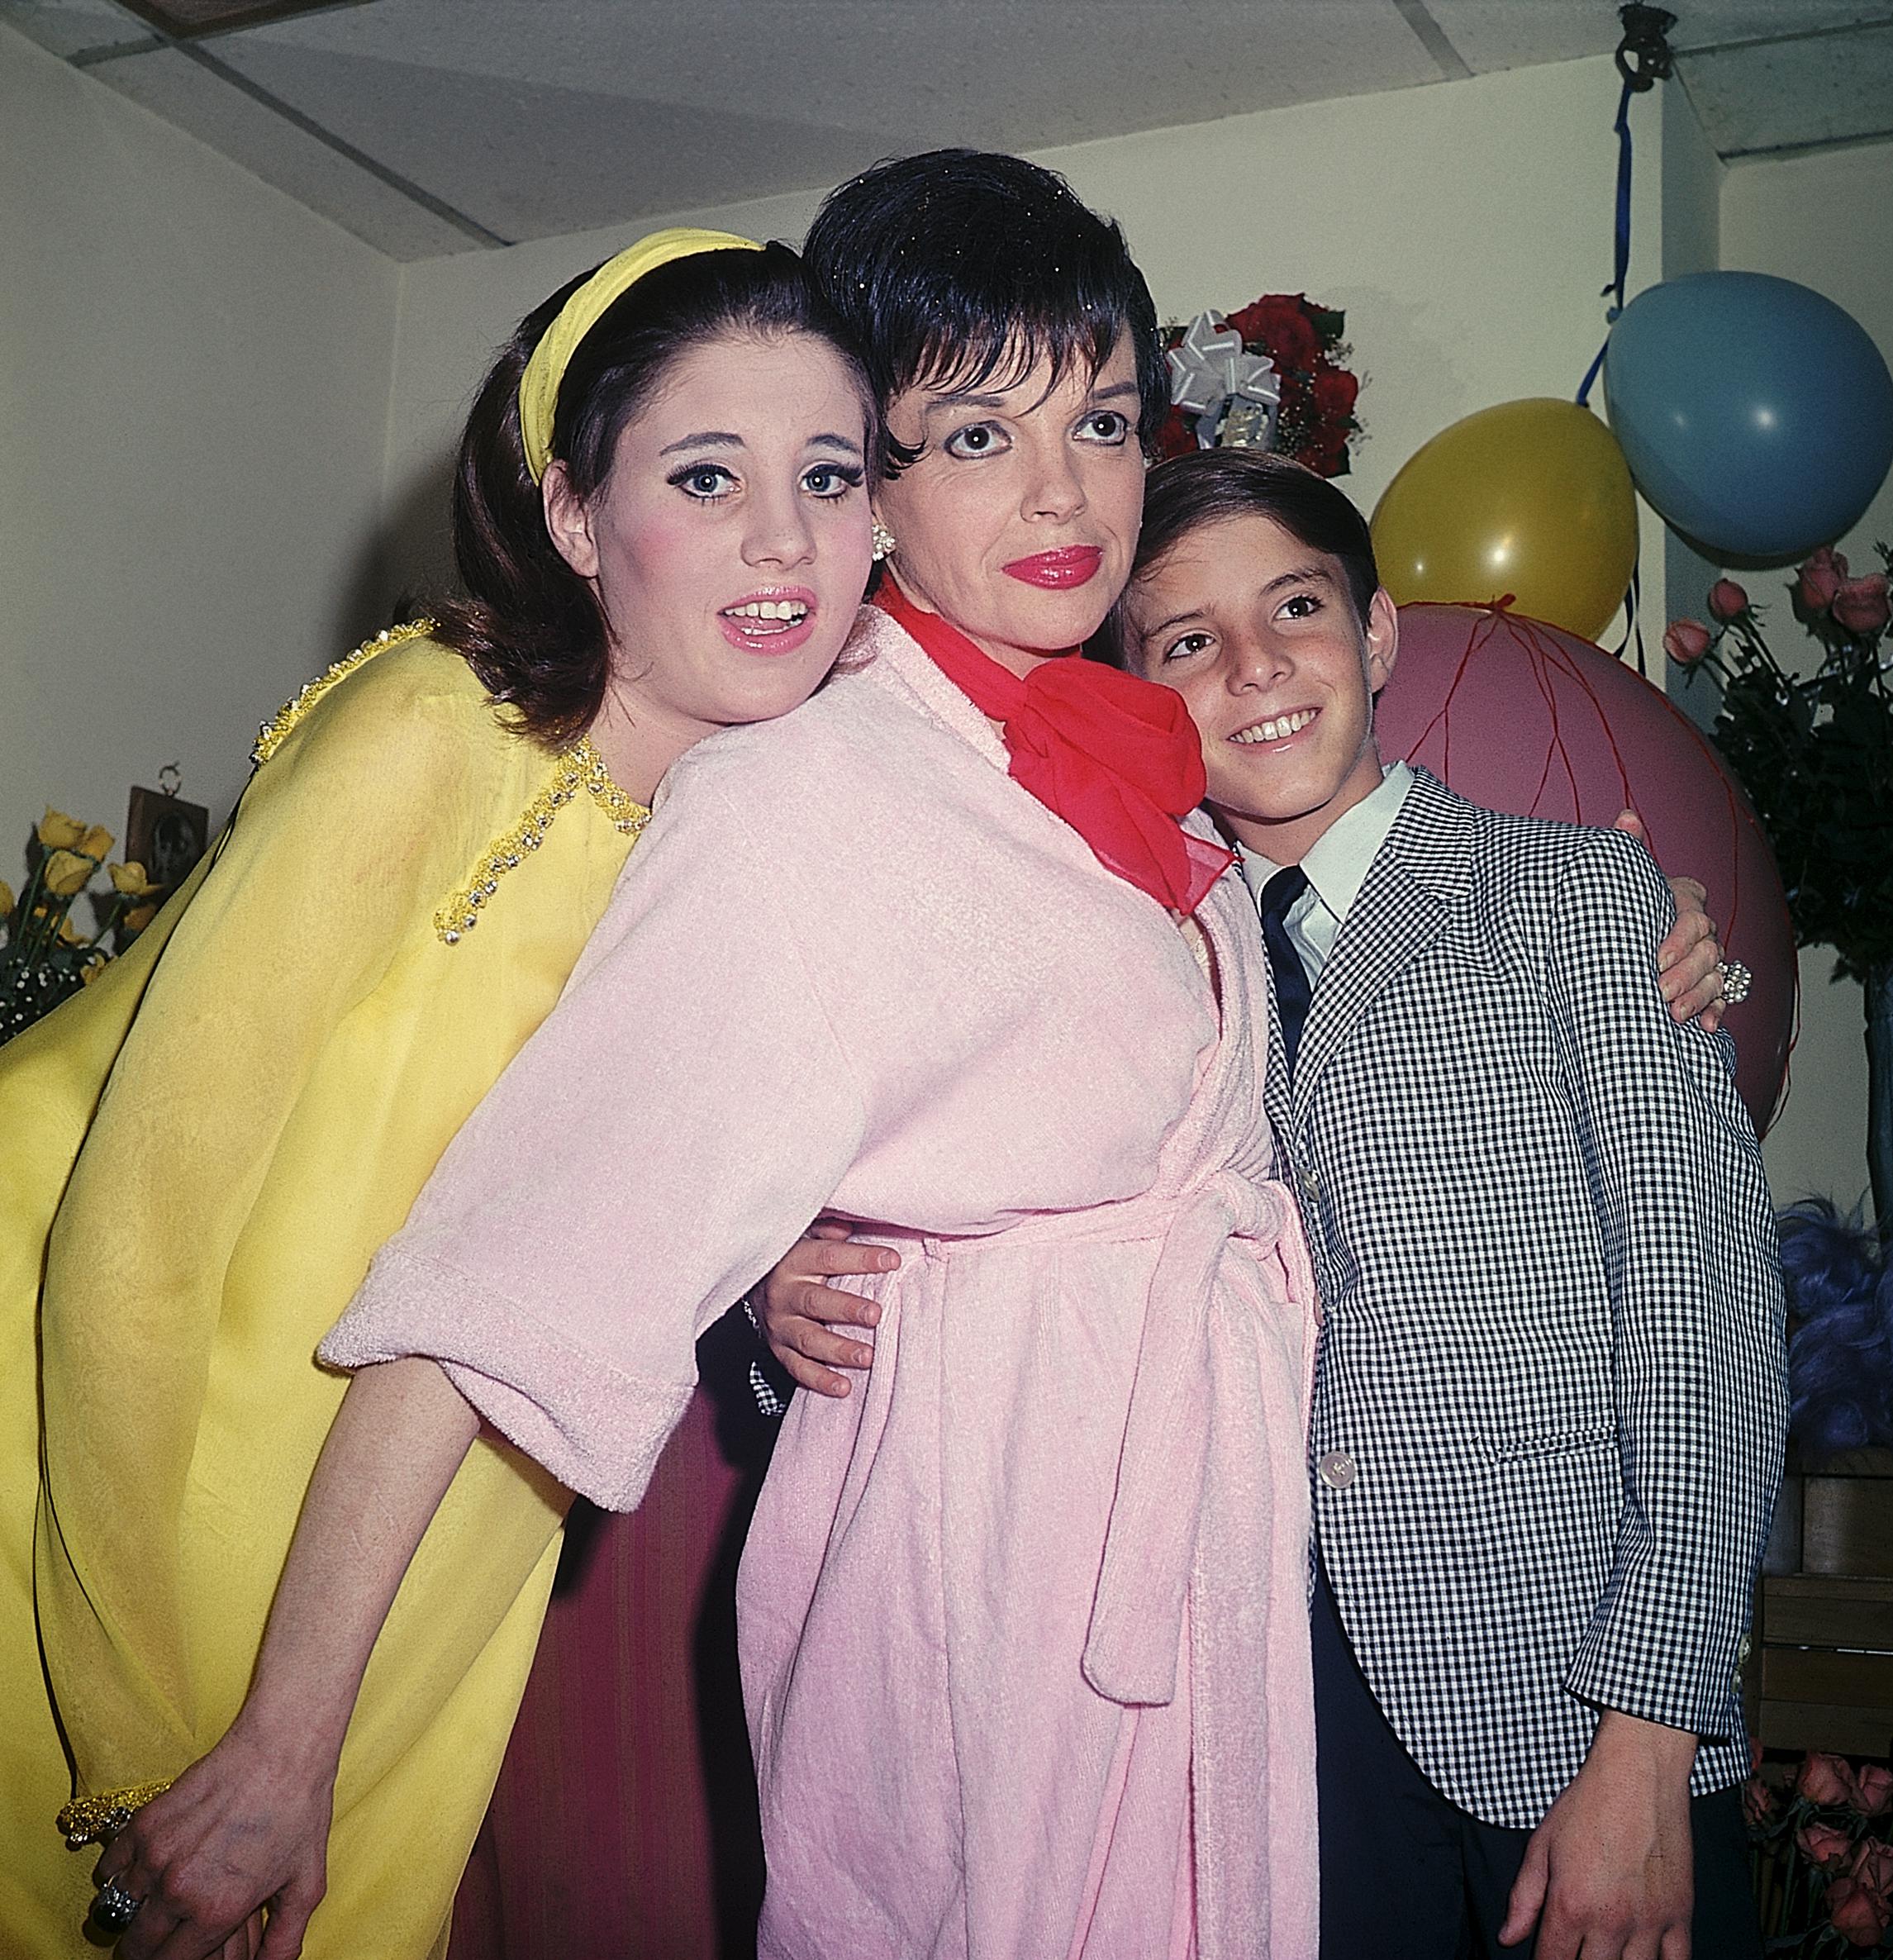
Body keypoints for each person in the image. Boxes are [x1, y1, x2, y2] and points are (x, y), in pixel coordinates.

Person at [89, 150, 1330, 1960]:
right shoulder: (802, 799)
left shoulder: (1149, 786)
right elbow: (503, 1280)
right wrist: (286, 1749)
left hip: (1186, 1581)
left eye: (1109, 419)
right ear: (880, 489)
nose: (1066, 491)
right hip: (985, 1590)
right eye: (976, 434)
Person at [0, 228, 879, 1960]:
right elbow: (132, 1237)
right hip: (85, 1506)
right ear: (571, 516)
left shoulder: (760, 857)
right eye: (709, 474)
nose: (788, 539)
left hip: (427, 1563)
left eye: (831, 474)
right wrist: (133, 1744)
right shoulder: (437, 728)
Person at [774, 449, 1781, 1958]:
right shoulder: (1130, 950)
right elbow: (938, 1169)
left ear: (1374, 636)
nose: (1255, 670)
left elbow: (1712, 1335)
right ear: (1137, 692)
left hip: (1572, 1706)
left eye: (1295, 610)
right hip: (1254, 1726)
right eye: (1186, 643)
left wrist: (1649, 1738)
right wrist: (784, 1272)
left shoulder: (1578, 902)